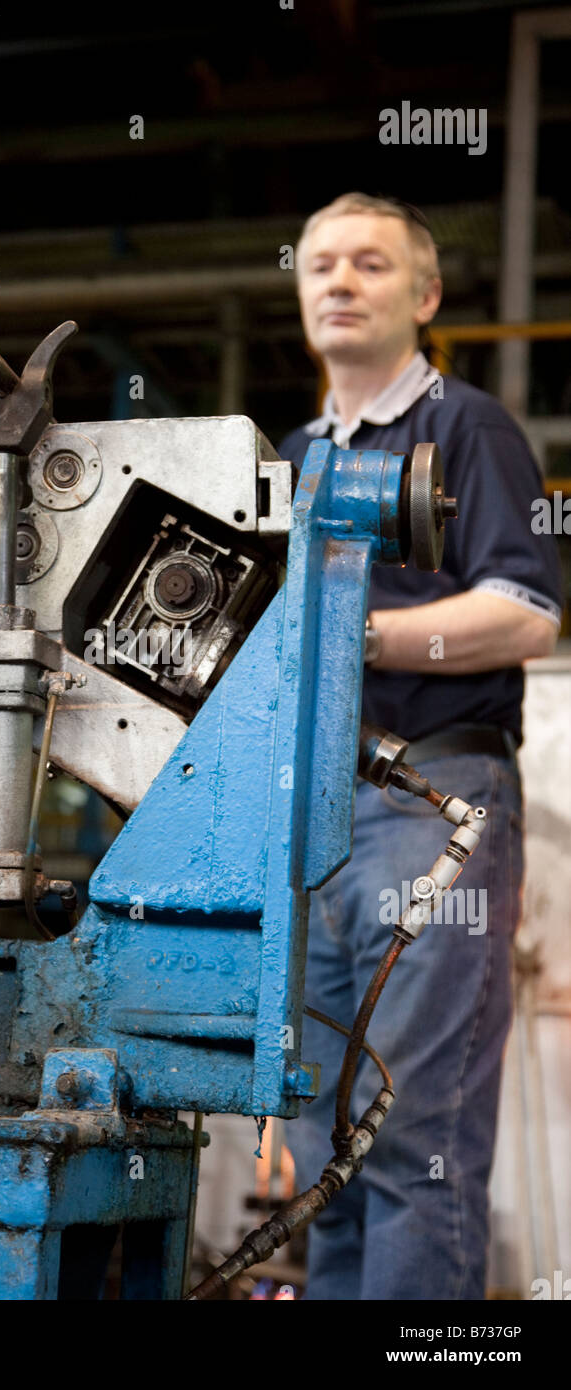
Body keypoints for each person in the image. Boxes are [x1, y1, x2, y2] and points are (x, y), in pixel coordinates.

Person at [279, 193, 563, 1301]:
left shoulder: (466, 428)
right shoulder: (294, 455)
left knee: (409, 1132)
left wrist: (355, 632)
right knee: (322, 1139)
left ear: (425, 296)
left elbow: (526, 610)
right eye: (318, 266)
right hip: (312, 816)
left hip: (429, 794)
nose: (339, 282)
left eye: (369, 264)